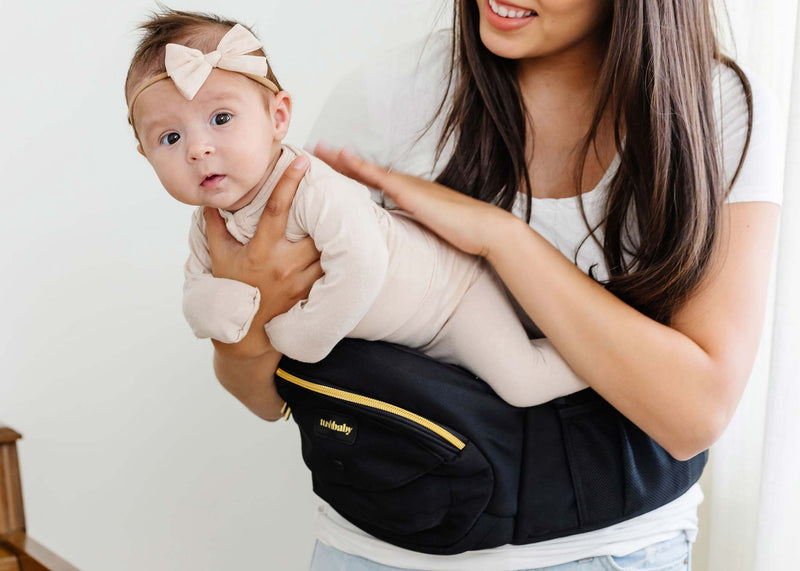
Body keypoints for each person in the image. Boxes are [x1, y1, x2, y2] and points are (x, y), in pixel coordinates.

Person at [183, 1, 782, 570]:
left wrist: (501, 239)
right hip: (376, 550)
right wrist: (243, 333)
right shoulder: (387, 96)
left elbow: (693, 413)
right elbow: (270, 395)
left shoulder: (713, 109)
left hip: (612, 551)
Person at [125, 11, 590, 408]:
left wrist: (300, 335)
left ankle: (598, 361)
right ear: (145, 156)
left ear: (277, 117)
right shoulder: (208, 226)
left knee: (522, 383)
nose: (198, 150)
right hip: (402, 346)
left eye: (221, 119)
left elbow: (364, 264)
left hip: (452, 299)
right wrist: (214, 309)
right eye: (171, 138)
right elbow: (198, 286)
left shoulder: (311, 186)